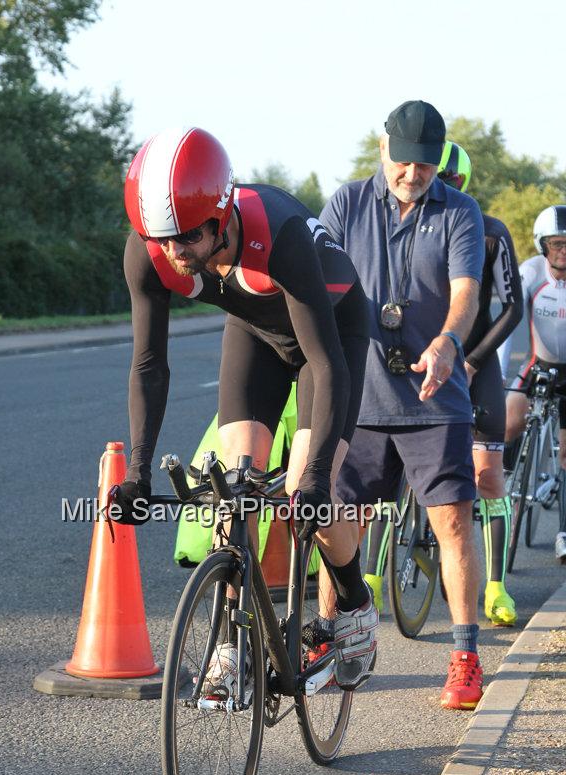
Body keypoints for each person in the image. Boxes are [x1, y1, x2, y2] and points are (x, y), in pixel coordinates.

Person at [113, 126, 377, 693]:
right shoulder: (152, 249)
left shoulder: (276, 233)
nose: (174, 252)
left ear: (221, 214)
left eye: (185, 237)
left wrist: (313, 478)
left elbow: (327, 365)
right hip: (255, 330)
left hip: (329, 337)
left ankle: (354, 602)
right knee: (235, 484)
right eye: (161, 240)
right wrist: (136, 472)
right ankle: (231, 646)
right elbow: (148, 367)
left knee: (314, 490)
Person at [321, 100, 486, 711]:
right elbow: (318, 281)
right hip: (358, 397)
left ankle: (465, 656)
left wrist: (448, 340)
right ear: (382, 148)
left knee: (451, 524)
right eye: (403, 162)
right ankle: (339, 641)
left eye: (425, 165)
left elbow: (465, 293)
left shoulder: (459, 210)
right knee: (336, 529)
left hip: (433, 396)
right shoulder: (345, 204)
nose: (412, 175)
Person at [362, 142, 523, 627]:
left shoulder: (487, 231)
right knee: (377, 486)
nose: (439, 188)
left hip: (474, 364)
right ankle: (369, 576)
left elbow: (511, 308)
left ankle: (494, 586)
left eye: (451, 183)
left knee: (487, 475)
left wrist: (470, 360)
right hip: (416, 368)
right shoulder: (388, 218)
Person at [499, 206, 566, 564]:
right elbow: (507, 322)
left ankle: (565, 534)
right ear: (543, 245)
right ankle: (498, 490)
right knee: (509, 422)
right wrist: (501, 375)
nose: (564, 250)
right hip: (536, 363)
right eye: (557, 244)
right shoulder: (529, 272)